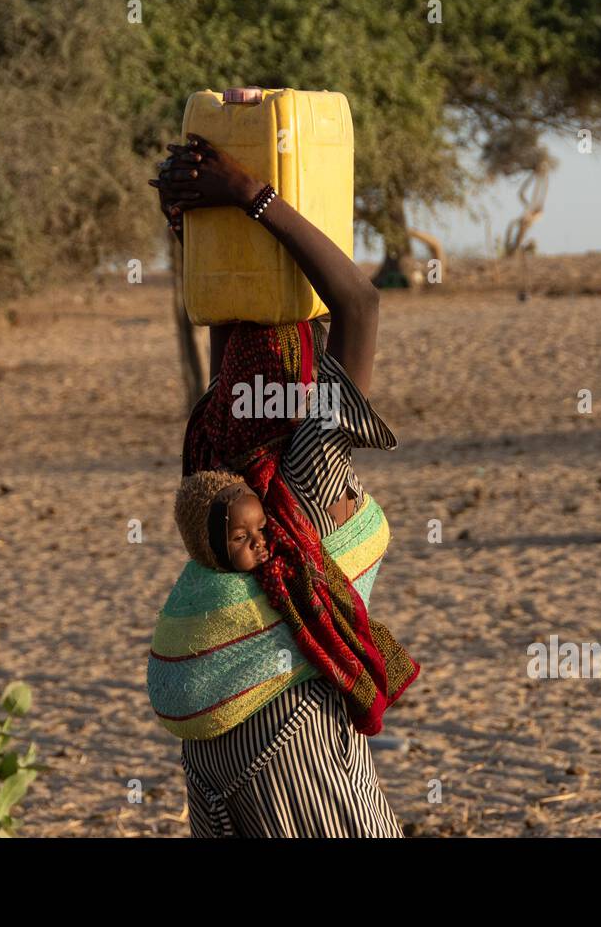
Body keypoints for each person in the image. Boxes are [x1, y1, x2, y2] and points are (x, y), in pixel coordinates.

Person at [146, 134, 419, 837]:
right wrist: (251, 198)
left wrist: (195, 230)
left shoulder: (212, 443)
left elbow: (223, 330)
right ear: (309, 388)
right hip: (290, 749)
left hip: (213, 753)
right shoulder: (302, 473)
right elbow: (360, 303)